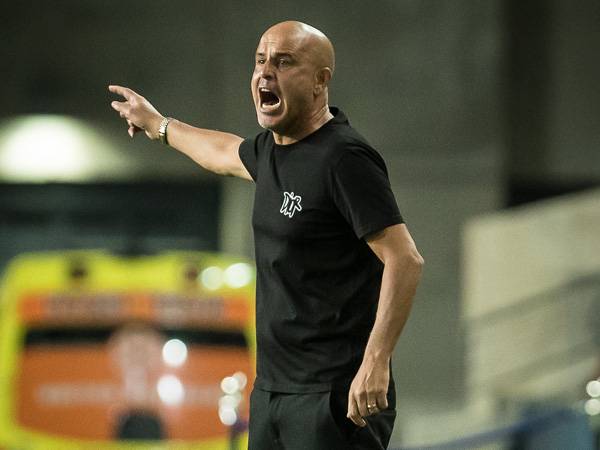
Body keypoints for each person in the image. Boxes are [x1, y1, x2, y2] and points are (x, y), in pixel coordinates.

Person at [109, 20, 423, 450]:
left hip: (332, 395)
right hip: (273, 392)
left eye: (284, 62)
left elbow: (405, 260)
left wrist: (376, 361)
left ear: (320, 81)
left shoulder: (345, 158)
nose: (265, 73)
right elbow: (221, 151)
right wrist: (159, 125)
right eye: (260, 61)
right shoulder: (271, 151)